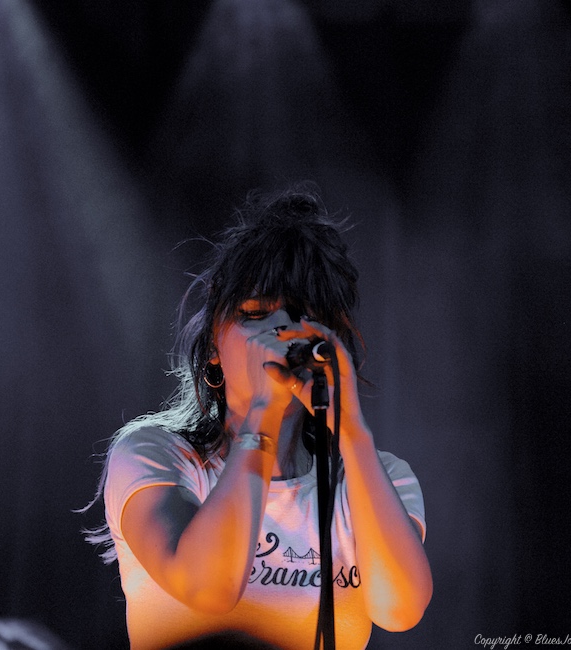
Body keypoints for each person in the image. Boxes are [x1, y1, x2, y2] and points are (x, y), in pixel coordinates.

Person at [83, 184, 432, 650]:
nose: (282, 332)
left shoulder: (378, 477)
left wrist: (350, 431)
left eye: (304, 317)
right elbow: (206, 586)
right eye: (255, 314)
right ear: (211, 347)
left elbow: (400, 609)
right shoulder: (156, 455)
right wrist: (262, 412)